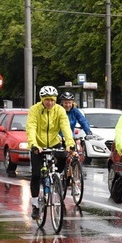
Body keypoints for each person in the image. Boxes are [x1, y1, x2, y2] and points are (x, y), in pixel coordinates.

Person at [26, 85, 75, 219]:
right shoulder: (34, 110)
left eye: (52, 100)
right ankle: (35, 204)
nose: (50, 103)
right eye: (47, 100)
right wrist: (34, 144)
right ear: (42, 99)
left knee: (64, 156)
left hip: (54, 142)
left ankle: (56, 177)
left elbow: (65, 127)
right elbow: (31, 127)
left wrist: (70, 143)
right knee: (36, 175)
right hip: (38, 144)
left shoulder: (59, 110)